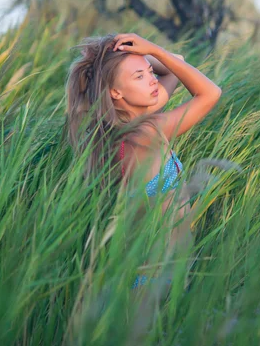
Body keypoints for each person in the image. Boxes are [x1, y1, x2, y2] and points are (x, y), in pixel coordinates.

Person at [65, 32, 222, 291]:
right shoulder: (147, 132)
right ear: (115, 92)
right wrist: (157, 51)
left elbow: (176, 63)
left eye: (150, 72)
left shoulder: (122, 126)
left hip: (152, 276)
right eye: (139, 77)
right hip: (158, 282)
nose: (151, 81)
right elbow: (210, 93)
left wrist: (132, 59)